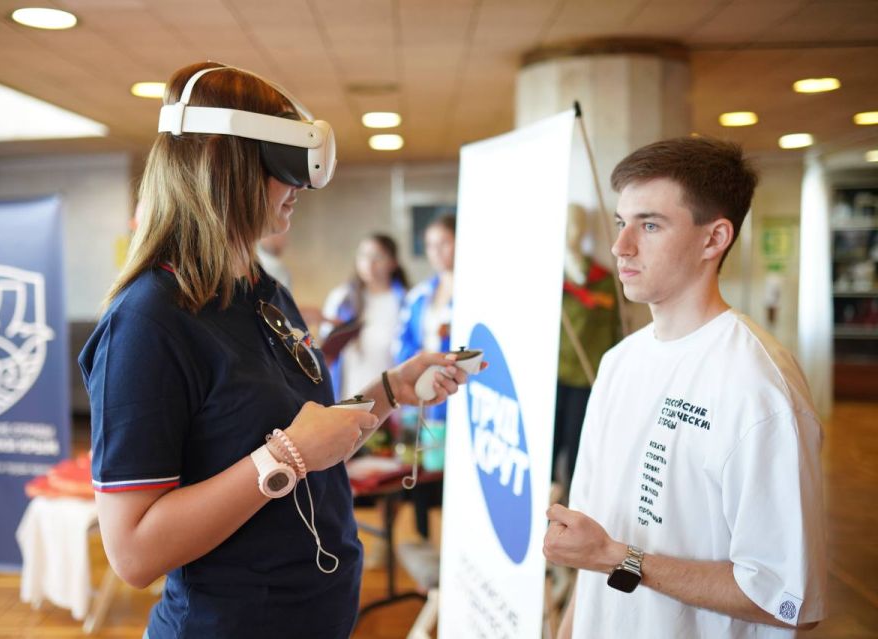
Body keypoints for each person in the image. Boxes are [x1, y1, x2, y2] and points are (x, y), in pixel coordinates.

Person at [78, 61, 474, 639]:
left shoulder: (264, 292)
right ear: (227, 166)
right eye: (284, 166)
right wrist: (284, 456)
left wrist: (388, 391)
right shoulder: (148, 321)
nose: (300, 187)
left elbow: (315, 438)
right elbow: (133, 552)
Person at [543, 137, 826, 638]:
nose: (620, 246)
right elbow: (594, 543)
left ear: (714, 239)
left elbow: (785, 598)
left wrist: (618, 558)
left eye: (649, 225)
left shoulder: (759, 388)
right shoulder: (617, 363)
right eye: (620, 223)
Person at [393, 213, 456, 540]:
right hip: (418, 399)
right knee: (417, 472)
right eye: (430, 244)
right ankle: (422, 541)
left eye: (444, 242)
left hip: (452, 401)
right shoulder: (419, 295)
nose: (437, 251)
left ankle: (451, 544)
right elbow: (402, 343)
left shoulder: (476, 291)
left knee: (449, 478)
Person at [553, 203, 619, 498]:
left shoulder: (602, 279)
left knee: (579, 443)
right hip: (551, 373)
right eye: (567, 224)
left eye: (578, 224)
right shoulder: (548, 276)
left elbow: (611, 330)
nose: (572, 232)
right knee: (547, 441)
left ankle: (573, 503)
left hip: (586, 372)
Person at [321, 233, 408, 401]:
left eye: (377, 257)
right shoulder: (342, 299)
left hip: (391, 398)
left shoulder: (404, 302)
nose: (369, 264)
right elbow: (326, 351)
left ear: (393, 262)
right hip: (347, 395)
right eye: (363, 256)